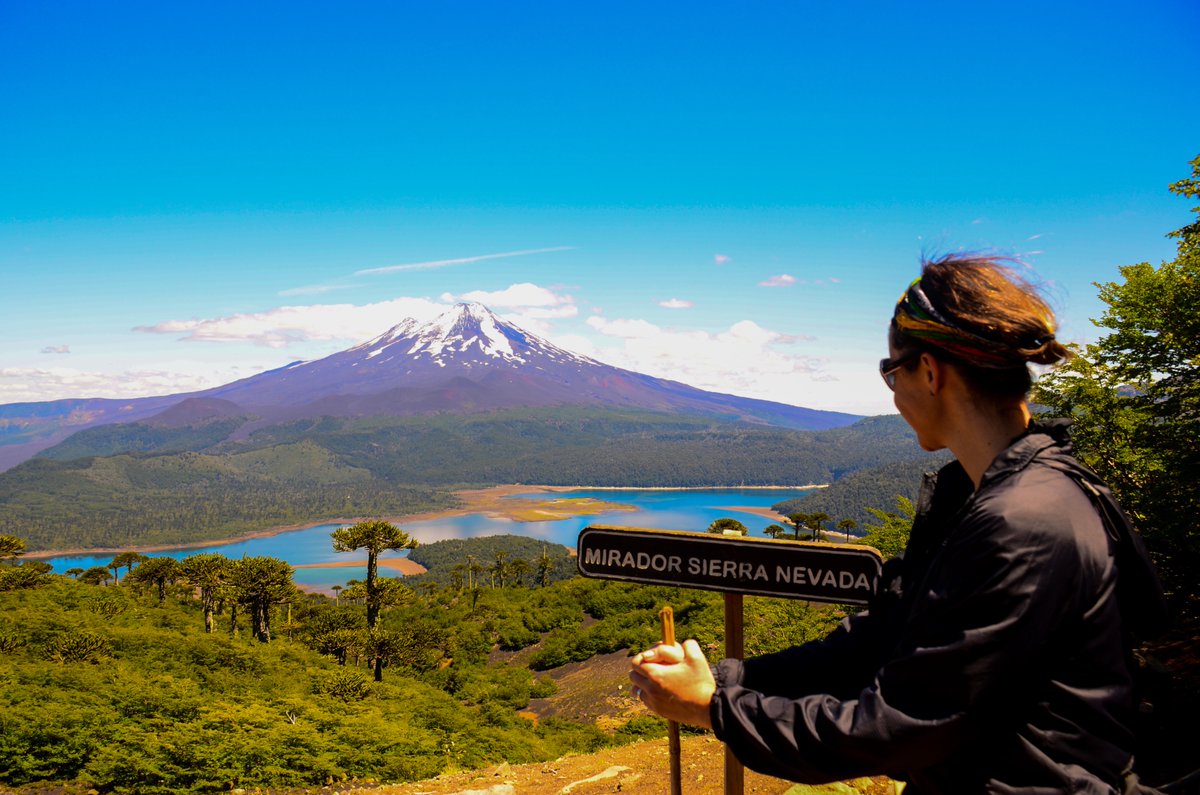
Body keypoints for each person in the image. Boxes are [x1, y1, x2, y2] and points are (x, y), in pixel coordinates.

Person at [629, 254, 1166, 794]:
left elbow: (906, 725)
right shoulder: (985, 496)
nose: (892, 391)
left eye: (891, 371)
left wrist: (713, 709)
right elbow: (880, 640)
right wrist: (727, 679)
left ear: (930, 372)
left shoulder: (1022, 523)